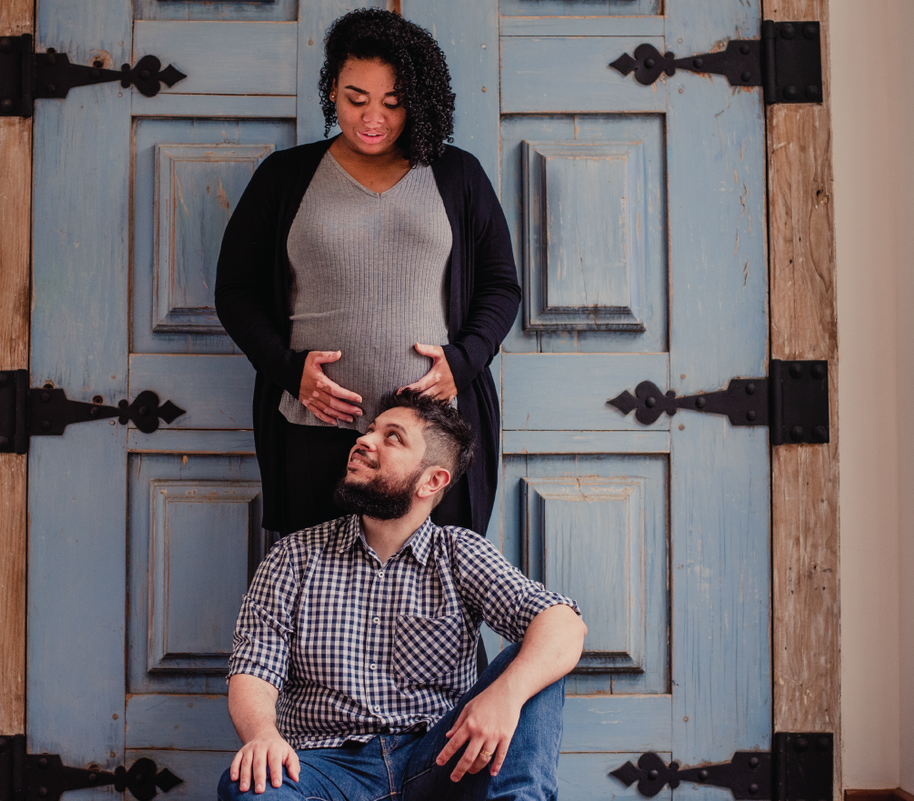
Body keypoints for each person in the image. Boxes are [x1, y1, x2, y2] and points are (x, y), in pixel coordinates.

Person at [214, 8, 521, 537]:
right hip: (313, 430)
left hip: (431, 435)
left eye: (393, 103)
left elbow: (501, 285)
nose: (372, 118)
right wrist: (291, 373)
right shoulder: (285, 177)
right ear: (332, 88)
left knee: (435, 598)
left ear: (416, 103)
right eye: (356, 98)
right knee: (317, 596)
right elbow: (235, 292)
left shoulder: (456, 174)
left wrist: (462, 362)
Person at [217, 390, 586, 801]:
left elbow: (564, 624)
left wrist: (505, 696)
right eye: (370, 430)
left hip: (440, 760)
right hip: (325, 768)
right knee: (247, 785)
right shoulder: (294, 556)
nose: (364, 441)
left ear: (432, 480)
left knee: (535, 660)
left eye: (392, 437)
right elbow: (254, 668)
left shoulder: (459, 553)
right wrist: (263, 736)